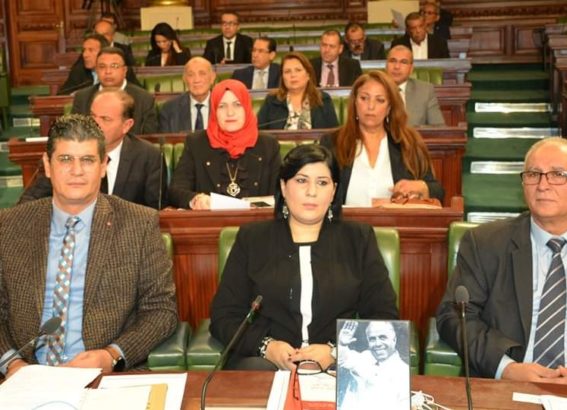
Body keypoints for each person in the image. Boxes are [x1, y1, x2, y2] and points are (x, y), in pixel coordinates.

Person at [0, 114, 177, 379]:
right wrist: (12, 364)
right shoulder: (10, 225)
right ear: (47, 165)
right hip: (23, 375)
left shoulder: (139, 224)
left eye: (87, 160)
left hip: (106, 377)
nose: (77, 171)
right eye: (65, 159)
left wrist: (112, 355)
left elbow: (161, 311)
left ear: (103, 166)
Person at [209, 144, 399, 370]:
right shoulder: (252, 239)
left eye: (322, 182)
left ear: (334, 191)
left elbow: (384, 316)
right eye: (301, 181)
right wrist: (266, 347)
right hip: (264, 364)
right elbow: (224, 316)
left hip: (338, 366)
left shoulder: (358, 239)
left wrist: (336, 351)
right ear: (283, 186)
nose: (312, 192)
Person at [437, 137, 567, 383]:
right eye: (533, 174)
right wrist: (506, 368)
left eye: (558, 174)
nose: (543, 185)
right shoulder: (486, 243)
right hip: (507, 385)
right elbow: (454, 317)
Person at [19, 89, 167, 209]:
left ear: (126, 125)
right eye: (93, 116)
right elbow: (30, 199)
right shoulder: (65, 151)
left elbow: (155, 210)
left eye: (105, 119)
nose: (95, 124)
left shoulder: (149, 157)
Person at [320, 71, 444, 206]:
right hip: (344, 220)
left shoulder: (408, 142)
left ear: (389, 107)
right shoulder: (332, 142)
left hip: (395, 220)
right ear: (355, 102)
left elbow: (438, 192)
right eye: (364, 98)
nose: (370, 106)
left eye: (380, 100)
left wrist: (421, 186)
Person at [168, 79, 280, 209]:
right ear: (214, 110)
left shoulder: (268, 145)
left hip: (258, 221)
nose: (230, 112)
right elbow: (176, 190)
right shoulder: (196, 143)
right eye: (222, 106)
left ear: (247, 107)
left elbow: (281, 192)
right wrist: (195, 199)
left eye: (237, 105)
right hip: (211, 221)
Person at [71, 47, 158, 135]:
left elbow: (148, 138)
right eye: (102, 67)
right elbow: (74, 134)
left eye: (114, 66)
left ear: (124, 70)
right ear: (96, 70)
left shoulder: (144, 99)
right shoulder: (82, 98)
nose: (108, 71)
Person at [338, 321, 410, 410]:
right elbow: (344, 359)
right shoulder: (366, 357)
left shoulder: (404, 372)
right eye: (372, 339)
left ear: (394, 340)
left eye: (382, 337)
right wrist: (342, 345)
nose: (377, 344)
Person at [257, 52, 339, 130]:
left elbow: (333, 134)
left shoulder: (323, 100)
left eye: (298, 70)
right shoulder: (271, 101)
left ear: (308, 75)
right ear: (282, 77)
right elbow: (259, 132)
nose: (293, 75)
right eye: (287, 72)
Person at [386, 45, 445, 126]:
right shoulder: (374, 89)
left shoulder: (425, 91)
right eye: (393, 61)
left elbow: (438, 127)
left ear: (411, 69)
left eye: (403, 62)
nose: (397, 67)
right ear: (386, 66)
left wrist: (414, 130)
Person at [159, 56, 216, 133]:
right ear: (184, 79)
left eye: (202, 74)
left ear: (212, 77)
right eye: (191, 75)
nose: (197, 80)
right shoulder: (169, 109)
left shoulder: (223, 105)